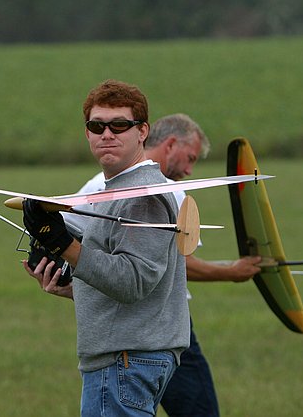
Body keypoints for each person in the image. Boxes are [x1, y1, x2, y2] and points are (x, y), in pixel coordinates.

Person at [27, 113, 262, 417]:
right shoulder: (166, 189)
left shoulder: (98, 183)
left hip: (117, 330)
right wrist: (232, 272)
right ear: (171, 144)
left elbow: (66, 243)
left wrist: (60, 273)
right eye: (189, 158)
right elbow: (179, 265)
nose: (190, 170)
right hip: (156, 325)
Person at [21, 80, 190, 416]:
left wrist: (64, 244)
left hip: (125, 360)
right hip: (127, 357)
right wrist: (73, 285)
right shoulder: (117, 189)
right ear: (87, 133)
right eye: (96, 126)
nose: (106, 134)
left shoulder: (142, 196)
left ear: (142, 132)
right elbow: (133, 283)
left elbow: (133, 281)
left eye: (119, 125)